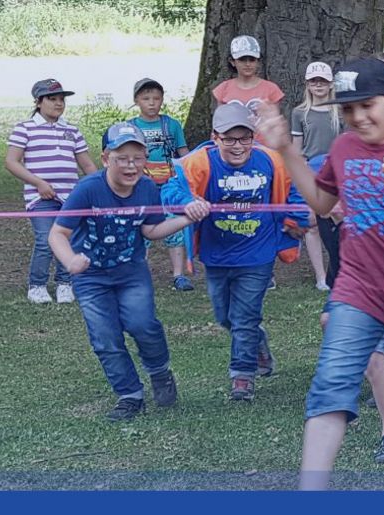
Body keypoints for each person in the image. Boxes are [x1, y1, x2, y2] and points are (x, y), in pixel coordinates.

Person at [257, 58, 384, 490]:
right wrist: (287, 151)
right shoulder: (345, 148)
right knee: (333, 379)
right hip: (358, 289)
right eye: (349, 109)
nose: (358, 117)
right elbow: (324, 204)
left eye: (368, 105)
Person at [50, 122, 207, 421]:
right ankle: (129, 395)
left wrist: (187, 217)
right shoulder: (88, 189)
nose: (130, 165)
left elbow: (151, 230)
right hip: (91, 278)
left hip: (131, 272)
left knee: (143, 324)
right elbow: (57, 234)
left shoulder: (147, 187)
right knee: (105, 338)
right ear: (106, 158)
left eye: (137, 157)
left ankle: (160, 372)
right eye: (122, 158)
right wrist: (70, 261)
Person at [165, 103, 307, 401]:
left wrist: (297, 219)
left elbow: (294, 187)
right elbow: (170, 190)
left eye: (244, 138)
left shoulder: (271, 160)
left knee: (244, 316)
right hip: (217, 254)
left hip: (259, 252)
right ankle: (256, 341)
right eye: (229, 139)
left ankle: (242, 376)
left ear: (254, 137)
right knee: (224, 316)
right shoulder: (198, 162)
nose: (238, 146)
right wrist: (188, 202)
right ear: (215, 137)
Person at [6, 78, 94, 305]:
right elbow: (12, 162)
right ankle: (37, 285)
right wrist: (39, 184)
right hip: (40, 198)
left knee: (69, 239)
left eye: (61, 100)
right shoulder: (25, 128)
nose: (58, 104)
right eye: (52, 99)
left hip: (71, 197)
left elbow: (86, 165)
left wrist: (97, 186)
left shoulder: (72, 130)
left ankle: (65, 284)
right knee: (45, 240)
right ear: (38, 102)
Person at [129, 78, 196, 291]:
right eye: (146, 98)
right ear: (136, 100)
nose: (151, 103)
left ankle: (178, 274)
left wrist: (191, 174)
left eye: (156, 98)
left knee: (175, 228)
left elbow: (183, 154)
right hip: (141, 187)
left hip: (168, 186)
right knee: (140, 230)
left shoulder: (172, 125)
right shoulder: (130, 127)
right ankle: (139, 274)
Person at [292, 61, 344, 292]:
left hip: (337, 170)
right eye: (314, 81)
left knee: (339, 219)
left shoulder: (340, 110)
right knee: (311, 223)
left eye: (323, 80)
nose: (318, 85)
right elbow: (297, 149)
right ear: (307, 84)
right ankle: (320, 276)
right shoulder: (299, 112)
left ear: (331, 83)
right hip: (311, 171)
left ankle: (339, 270)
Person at [210, 35, 286, 136]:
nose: (247, 64)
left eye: (252, 59)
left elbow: (275, 124)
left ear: (258, 61)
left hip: (264, 147)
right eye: (242, 59)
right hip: (233, 146)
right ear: (232, 62)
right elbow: (219, 124)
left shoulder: (271, 89)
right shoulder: (223, 89)